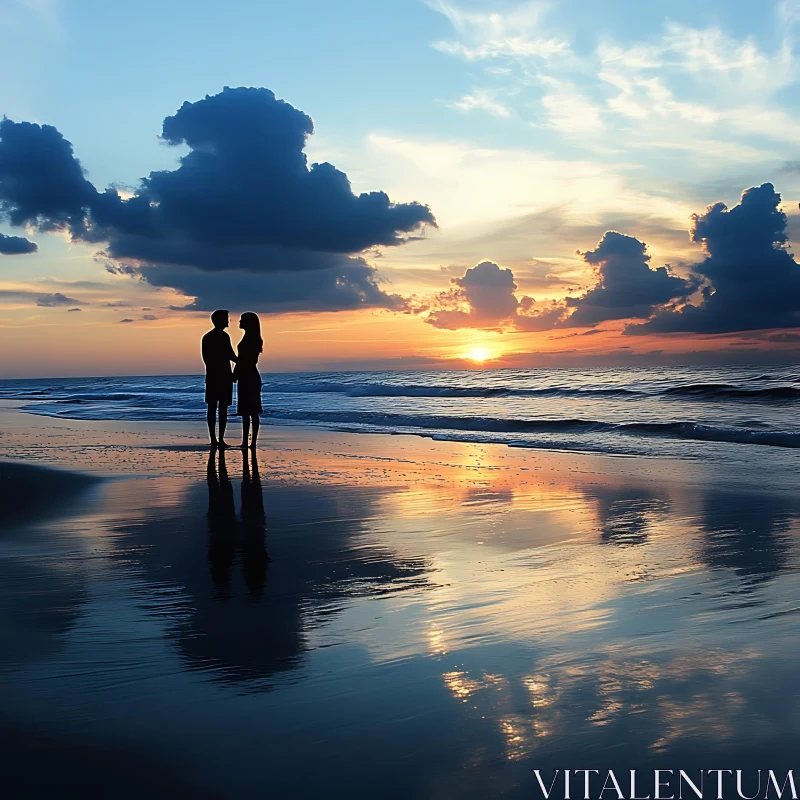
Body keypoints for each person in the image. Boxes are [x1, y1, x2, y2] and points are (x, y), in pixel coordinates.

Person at [202, 309, 237, 448]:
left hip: (212, 376)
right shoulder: (222, 336)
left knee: (213, 408)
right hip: (222, 377)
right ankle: (219, 439)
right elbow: (231, 355)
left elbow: (207, 359)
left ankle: (215, 439)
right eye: (226, 318)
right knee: (221, 409)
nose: (228, 321)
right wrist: (244, 364)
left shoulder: (207, 337)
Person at [235, 311, 263, 450]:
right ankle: (246, 442)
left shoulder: (252, 339)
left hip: (249, 375)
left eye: (242, 320)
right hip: (246, 375)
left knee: (252, 411)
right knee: (247, 412)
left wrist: (235, 372)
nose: (239, 322)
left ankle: (251, 442)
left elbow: (246, 360)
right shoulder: (248, 338)